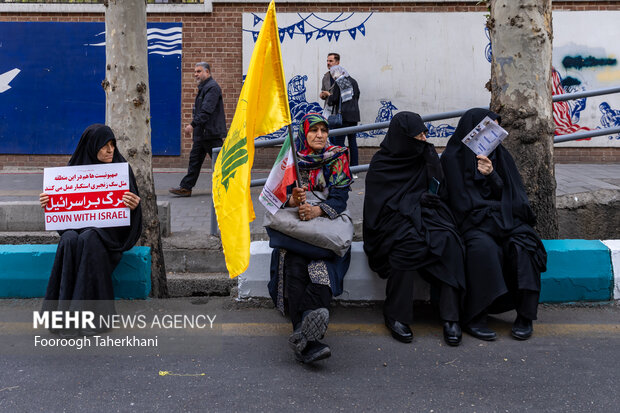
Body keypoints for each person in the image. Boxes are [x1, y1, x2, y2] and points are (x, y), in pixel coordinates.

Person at [440, 108, 547, 341]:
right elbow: (457, 200)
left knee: (524, 245)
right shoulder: (452, 158)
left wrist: (492, 175)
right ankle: (476, 315)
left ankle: (525, 316)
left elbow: (513, 195)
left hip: (504, 218)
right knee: (483, 250)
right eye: (490, 128)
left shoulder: (501, 156)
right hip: (473, 222)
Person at [363, 112, 466, 346]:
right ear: (403, 137)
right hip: (393, 221)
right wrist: (414, 201)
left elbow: (440, 192)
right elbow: (379, 206)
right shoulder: (382, 162)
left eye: (424, 134)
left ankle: (451, 315)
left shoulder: (424, 155)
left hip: (426, 215)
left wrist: (432, 162)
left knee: (448, 238)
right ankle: (396, 314)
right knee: (407, 241)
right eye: (417, 135)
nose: (423, 139)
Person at [39, 124, 142, 337]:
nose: (110, 150)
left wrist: (134, 206)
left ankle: (92, 318)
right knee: (68, 238)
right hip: (79, 233)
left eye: (112, 144)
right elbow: (64, 222)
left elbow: (128, 222)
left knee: (89, 237)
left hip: (107, 238)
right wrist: (50, 204)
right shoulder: (73, 170)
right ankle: (61, 317)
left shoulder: (121, 168)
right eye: (104, 146)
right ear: (91, 146)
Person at [267, 113, 352, 364]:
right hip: (297, 230)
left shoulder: (337, 156)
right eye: (313, 131)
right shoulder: (291, 157)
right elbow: (276, 196)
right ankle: (307, 338)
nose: (319, 135)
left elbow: (340, 198)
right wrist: (293, 200)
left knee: (320, 270)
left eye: (323, 130)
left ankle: (303, 335)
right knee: (293, 264)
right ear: (305, 134)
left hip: (325, 227)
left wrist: (316, 210)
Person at [170, 62, 227, 197]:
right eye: (195, 72)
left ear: (207, 72)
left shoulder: (212, 88)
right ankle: (186, 187)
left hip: (210, 134)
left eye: (199, 71)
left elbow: (206, 110)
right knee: (194, 160)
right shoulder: (204, 88)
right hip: (202, 134)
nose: (196, 74)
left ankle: (230, 186)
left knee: (221, 163)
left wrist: (192, 124)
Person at [326, 65, 361, 169]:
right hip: (354, 116)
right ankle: (354, 168)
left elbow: (334, 99)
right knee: (352, 142)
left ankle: (342, 168)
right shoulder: (353, 81)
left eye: (333, 74)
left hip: (343, 116)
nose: (333, 76)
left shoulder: (339, 82)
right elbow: (357, 95)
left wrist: (329, 96)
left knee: (340, 143)